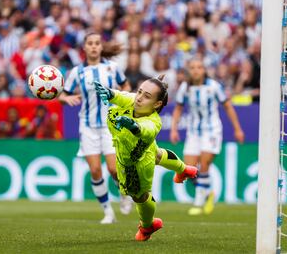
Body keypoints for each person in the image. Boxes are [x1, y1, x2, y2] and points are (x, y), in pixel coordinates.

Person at [93, 75, 198, 241]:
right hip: (142, 148)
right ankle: (184, 169)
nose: (139, 98)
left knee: (139, 196)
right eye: (140, 92)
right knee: (157, 153)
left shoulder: (154, 121)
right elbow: (122, 95)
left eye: (147, 96)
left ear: (157, 104)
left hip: (137, 163)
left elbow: (146, 129)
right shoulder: (133, 101)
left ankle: (148, 225)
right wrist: (109, 93)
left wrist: (133, 125)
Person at [58, 32, 132, 224]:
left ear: (101, 47)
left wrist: (123, 100)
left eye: (96, 43)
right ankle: (108, 212)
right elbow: (62, 96)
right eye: (90, 43)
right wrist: (67, 98)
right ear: (84, 47)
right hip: (88, 126)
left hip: (110, 124)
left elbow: (126, 86)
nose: (93, 46)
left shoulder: (112, 68)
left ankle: (124, 193)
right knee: (95, 171)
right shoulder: (77, 72)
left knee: (114, 169)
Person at [170, 58, 245, 216]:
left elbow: (228, 107)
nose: (196, 70)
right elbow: (178, 108)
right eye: (193, 67)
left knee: (204, 165)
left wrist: (237, 129)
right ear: (189, 70)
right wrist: (174, 129)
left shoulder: (214, 86)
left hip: (212, 131)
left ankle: (198, 202)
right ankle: (207, 192)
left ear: (204, 70)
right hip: (193, 132)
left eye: (199, 67)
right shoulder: (185, 87)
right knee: (188, 169)